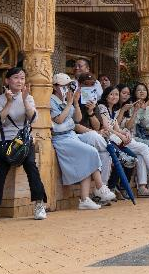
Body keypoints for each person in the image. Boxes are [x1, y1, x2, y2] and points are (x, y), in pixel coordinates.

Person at [0, 67, 47, 223]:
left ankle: (39, 204)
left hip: (23, 142)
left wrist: (24, 99)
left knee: (31, 165)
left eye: (22, 78)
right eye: (16, 78)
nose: (19, 81)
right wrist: (9, 102)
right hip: (4, 141)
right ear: (7, 81)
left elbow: (33, 119)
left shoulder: (28, 98)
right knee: (1, 169)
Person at [49, 73, 115, 210]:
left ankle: (85, 199)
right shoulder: (51, 100)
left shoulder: (67, 99)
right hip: (61, 138)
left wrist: (75, 103)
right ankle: (100, 187)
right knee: (90, 152)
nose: (66, 89)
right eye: (63, 86)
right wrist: (69, 104)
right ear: (55, 87)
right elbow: (59, 120)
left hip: (71, 134)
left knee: (91, 151)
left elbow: (77, 119)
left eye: (68, 86)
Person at [97, 86, 149, 197]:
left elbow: (119, 128)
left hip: (117, 138)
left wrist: (124, 133)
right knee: (143, 148)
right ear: (106, 96)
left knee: (140, 155)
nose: (114, 97)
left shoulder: (113, 108)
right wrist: (122, 135)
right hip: (107, 139)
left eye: (116, 94)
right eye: (111, 94)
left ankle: (142, 187)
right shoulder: (102, 107)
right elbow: (107, 127)